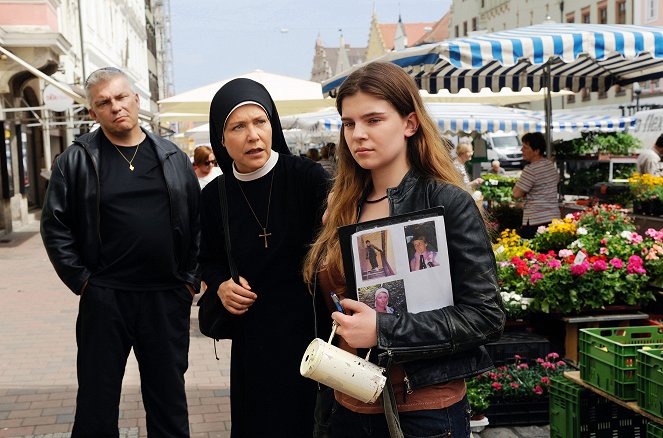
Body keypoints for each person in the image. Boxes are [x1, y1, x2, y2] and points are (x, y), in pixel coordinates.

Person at [303, 62, 504, 438]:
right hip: (346, 400)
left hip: (422, 409)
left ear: (410, 123)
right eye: (349, 124)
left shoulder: (447, 202)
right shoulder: (344, 205)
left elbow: (485, 316)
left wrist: (384, 329)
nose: (358, 134)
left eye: (374, 120)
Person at [40, 67, 200, 437]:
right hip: (105, 298)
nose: (115, 107)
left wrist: (190, 280)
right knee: (97, 401)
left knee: (168, 400)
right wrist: (82, 282)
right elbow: (55, 226)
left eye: (121, 97)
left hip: (165, 296)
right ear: (93, 113)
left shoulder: (172, 156)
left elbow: (198, 221)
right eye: (103, 102)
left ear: (136, 100)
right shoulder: (76, 160)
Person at [199, 78, 330, 437]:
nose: (253, 135)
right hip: (252, 339)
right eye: (238, 127)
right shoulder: (215, 196)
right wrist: (222, 286)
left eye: (260, 122)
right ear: (221, 138)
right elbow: (207, 258)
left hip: (311, 332)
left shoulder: (308, 178)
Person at [513, 132, 561, 239]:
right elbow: (556, 180)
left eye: (525, 147)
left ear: (536, 151)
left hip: (535, 220)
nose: (522, 150)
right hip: (553, 217)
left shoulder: (531, 170)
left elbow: (516, 194)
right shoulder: (550, 165)